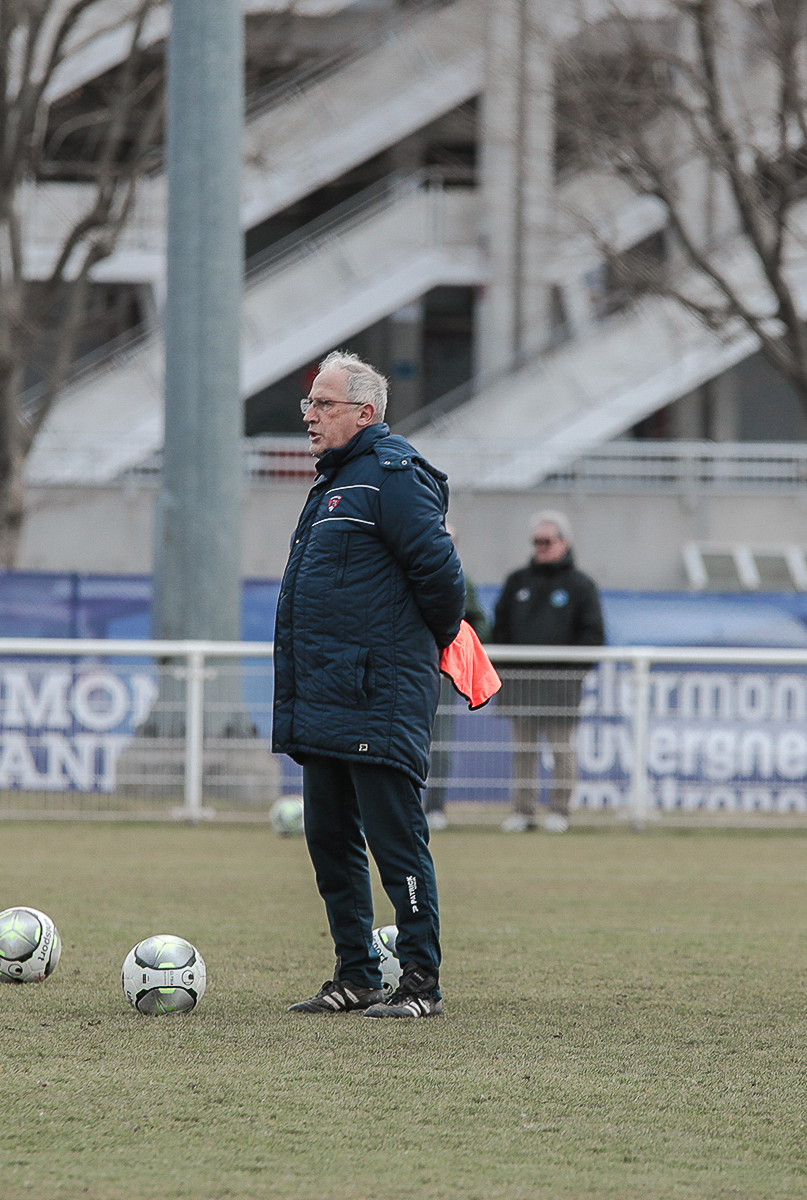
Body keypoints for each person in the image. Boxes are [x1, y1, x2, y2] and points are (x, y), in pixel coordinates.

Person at [271, 350, 467, 1019]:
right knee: (329, 841)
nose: (310, 415)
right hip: (327, 696)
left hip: (375, 696)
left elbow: (443, 582)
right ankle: (356, 975)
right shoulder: (336, 482)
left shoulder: (393, 475)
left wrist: (408, 651)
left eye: (323, 404)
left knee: (395, 843)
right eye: (309, 403)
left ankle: (420, 983)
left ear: (365, 411)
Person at [490, 511, 604, 832]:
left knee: (561, 749)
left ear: (564, 543)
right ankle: (523, 812)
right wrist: (507, 667)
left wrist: (570, 671)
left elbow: (592, 634)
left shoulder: (580, 585)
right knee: (523, 750)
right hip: (521, 681)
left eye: (547, 541)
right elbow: (500, 626)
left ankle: (560, 811)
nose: (540, 547)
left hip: (560, 683)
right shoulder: (517, 581)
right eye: (536, 541)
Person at [424, 576, 490, 830]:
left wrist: (458, 652)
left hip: (440, 672)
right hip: (400, 669)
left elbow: (477, 622)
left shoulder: (458, 579)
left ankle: (434, 807)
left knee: (440, 743)